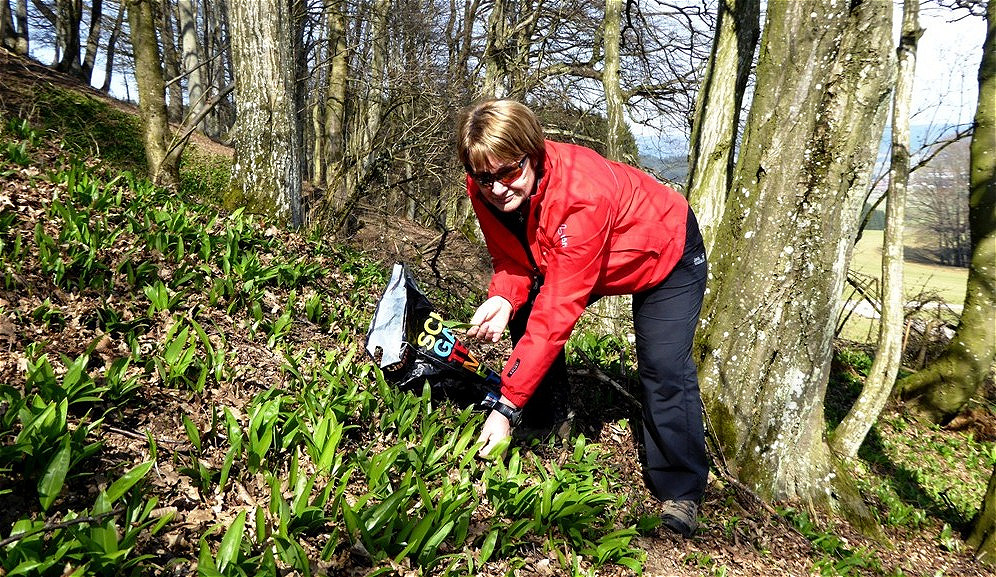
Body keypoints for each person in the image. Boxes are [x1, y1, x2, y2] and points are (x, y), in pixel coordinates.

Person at [457, 99, 709, 537]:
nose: (497, 188)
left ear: (532, 153)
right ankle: (550, 417)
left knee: (663, 365)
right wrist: (503, 297)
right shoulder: (482, 187)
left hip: (667, 252)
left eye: (509, 173)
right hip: (588, 258)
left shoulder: (582, 195)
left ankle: (682, 490)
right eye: (485, 177)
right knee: (525, 308)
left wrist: (504, 405)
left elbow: (558, 312)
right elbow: (513, 261)